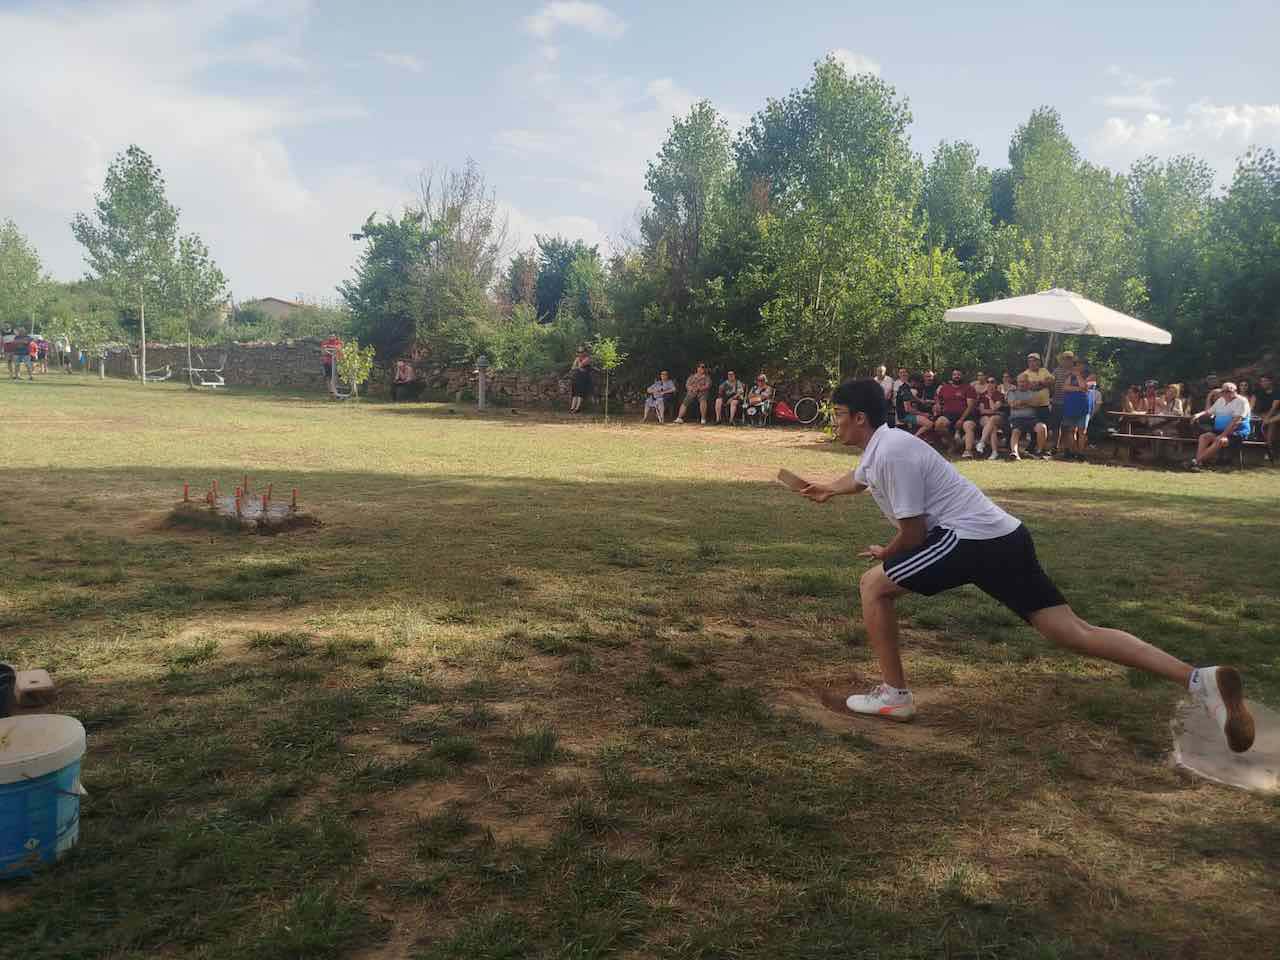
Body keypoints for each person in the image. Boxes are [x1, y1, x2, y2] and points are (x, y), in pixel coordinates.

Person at [791, 378, 1254, 755]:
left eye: (838, 413)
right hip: (1005, 536)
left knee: (873, 585)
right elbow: (858, 478)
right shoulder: (883, 447)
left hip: (971, 541)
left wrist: (888, 554)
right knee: (1072, 631)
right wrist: (828, 488)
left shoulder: (891, 452)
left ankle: (894, 697)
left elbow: (913, 534)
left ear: (860, 417)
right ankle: (1200, 680)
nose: (835, 421)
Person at [1187, 381, 1251, 471]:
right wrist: (1198, 414)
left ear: (1235, 391)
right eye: (1224, 391)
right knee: (1204, 437)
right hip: (1219, 430)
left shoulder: (1242, 401)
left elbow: (1236, 422)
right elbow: (1209, 411)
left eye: (1229, 391)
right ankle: (1198, 464)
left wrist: (1223, 435)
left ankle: (1195, 462)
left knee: (1219, 441)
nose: (1226, 393)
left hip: (1237, 432)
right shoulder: (1221, 400)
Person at [926, 368, 979, 458]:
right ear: (952, 376)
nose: (956, 376)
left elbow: (970, 406)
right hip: (949, 414)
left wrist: (961, 420)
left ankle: (968, 451)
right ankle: (953, 444)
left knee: (968, 426)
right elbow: (937, 397)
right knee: (939, 424)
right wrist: (937, 404)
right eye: (954, 374)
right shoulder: (945, 388)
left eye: (958, 374)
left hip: (966, 415)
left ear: (962, 376)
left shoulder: (969, 388)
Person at [1006, 373, 1048, 461]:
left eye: (1024, 382)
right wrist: (1028, 403)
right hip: (1016, 419)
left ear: (1028, 383)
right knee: (1016, 431)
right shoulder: (1012, 392)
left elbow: (1035, 403)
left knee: (1042, 427)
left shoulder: (1033, 393)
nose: (1022, 384)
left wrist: (1020, 402)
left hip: (1032, 419)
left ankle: (1040, 452)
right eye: (1020, 382)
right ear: (1017, 382)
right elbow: (1013, 405)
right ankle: (1014, 453)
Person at [1020, 353, 1054, 457]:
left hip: (1044, 405)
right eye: (1030, 361)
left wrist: (1038, 384)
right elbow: (1029, 387)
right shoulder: (1025, 374)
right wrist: (1043, 383)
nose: (1032, 363)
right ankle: (1034, 448)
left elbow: (1051, 381)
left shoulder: (1044, 371)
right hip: (1031, 406)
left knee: (1046, 428)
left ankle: (1041, 449)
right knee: (1034, 429)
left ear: (1039, 362)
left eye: (1034, 361)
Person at [1057, 358, 1091, 460]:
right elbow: (1065, 388)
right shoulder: (1069, 376)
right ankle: (1072, 451)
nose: (1077, 367)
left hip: (1083, 406)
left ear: (1085, 366)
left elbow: (1085, 386)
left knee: (1082, 431)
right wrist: (1079, 389)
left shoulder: (1090, 376)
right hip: (1070, 406)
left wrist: (1077, 375)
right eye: (1076, 365)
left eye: (1080, 364)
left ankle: (1081, 453)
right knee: (1071, 430)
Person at [975, 376, 1004, 460]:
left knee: (992, 419)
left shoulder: (999, 395)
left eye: (992, 382)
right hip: (984, 418)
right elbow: (982, 411)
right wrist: (993, 411)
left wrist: (990, 399)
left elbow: (994, 408)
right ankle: (994, 452)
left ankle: (981, 442)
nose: (990, 384)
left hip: (997, 418)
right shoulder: (982, 395)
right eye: (988, 382)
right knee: (992, 426)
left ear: (996, 384)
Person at [1251, 373, 1277, 460]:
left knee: (1271, 424)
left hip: (1274, 413)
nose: (1263, 383)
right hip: (1260, 414)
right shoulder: (1257, 391)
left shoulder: (1277, 391)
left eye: (1266, 381)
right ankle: (1267, 449)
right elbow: (1251, 405)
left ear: (1271, 381)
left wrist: (1266, 419)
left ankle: (1269, 449)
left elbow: (1274, 407)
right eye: (1262, 381)